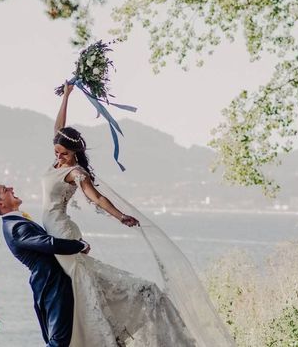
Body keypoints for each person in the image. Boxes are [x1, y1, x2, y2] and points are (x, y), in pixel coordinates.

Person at [42, 84, 198, 346]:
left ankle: (96, 334)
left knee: (84, 284)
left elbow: (99, 198)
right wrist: (67, 96)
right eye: (57, 151)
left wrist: (120, 216)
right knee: (82, 283)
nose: (58, 157)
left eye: (64, 153)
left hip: (61, 231)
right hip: (53, 229)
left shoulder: (76, 173)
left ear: (75, 153)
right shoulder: (58, 157)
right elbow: (59, 126)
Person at [0, 181, 90, 347]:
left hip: (51, 281)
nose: (11, 188)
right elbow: (49, 244)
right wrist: (80, 245)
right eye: (5, 190)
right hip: (50, 282)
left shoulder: (17, 221)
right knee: (59, 341)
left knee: (62, 338)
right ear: (0, 204)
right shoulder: (15, 227)